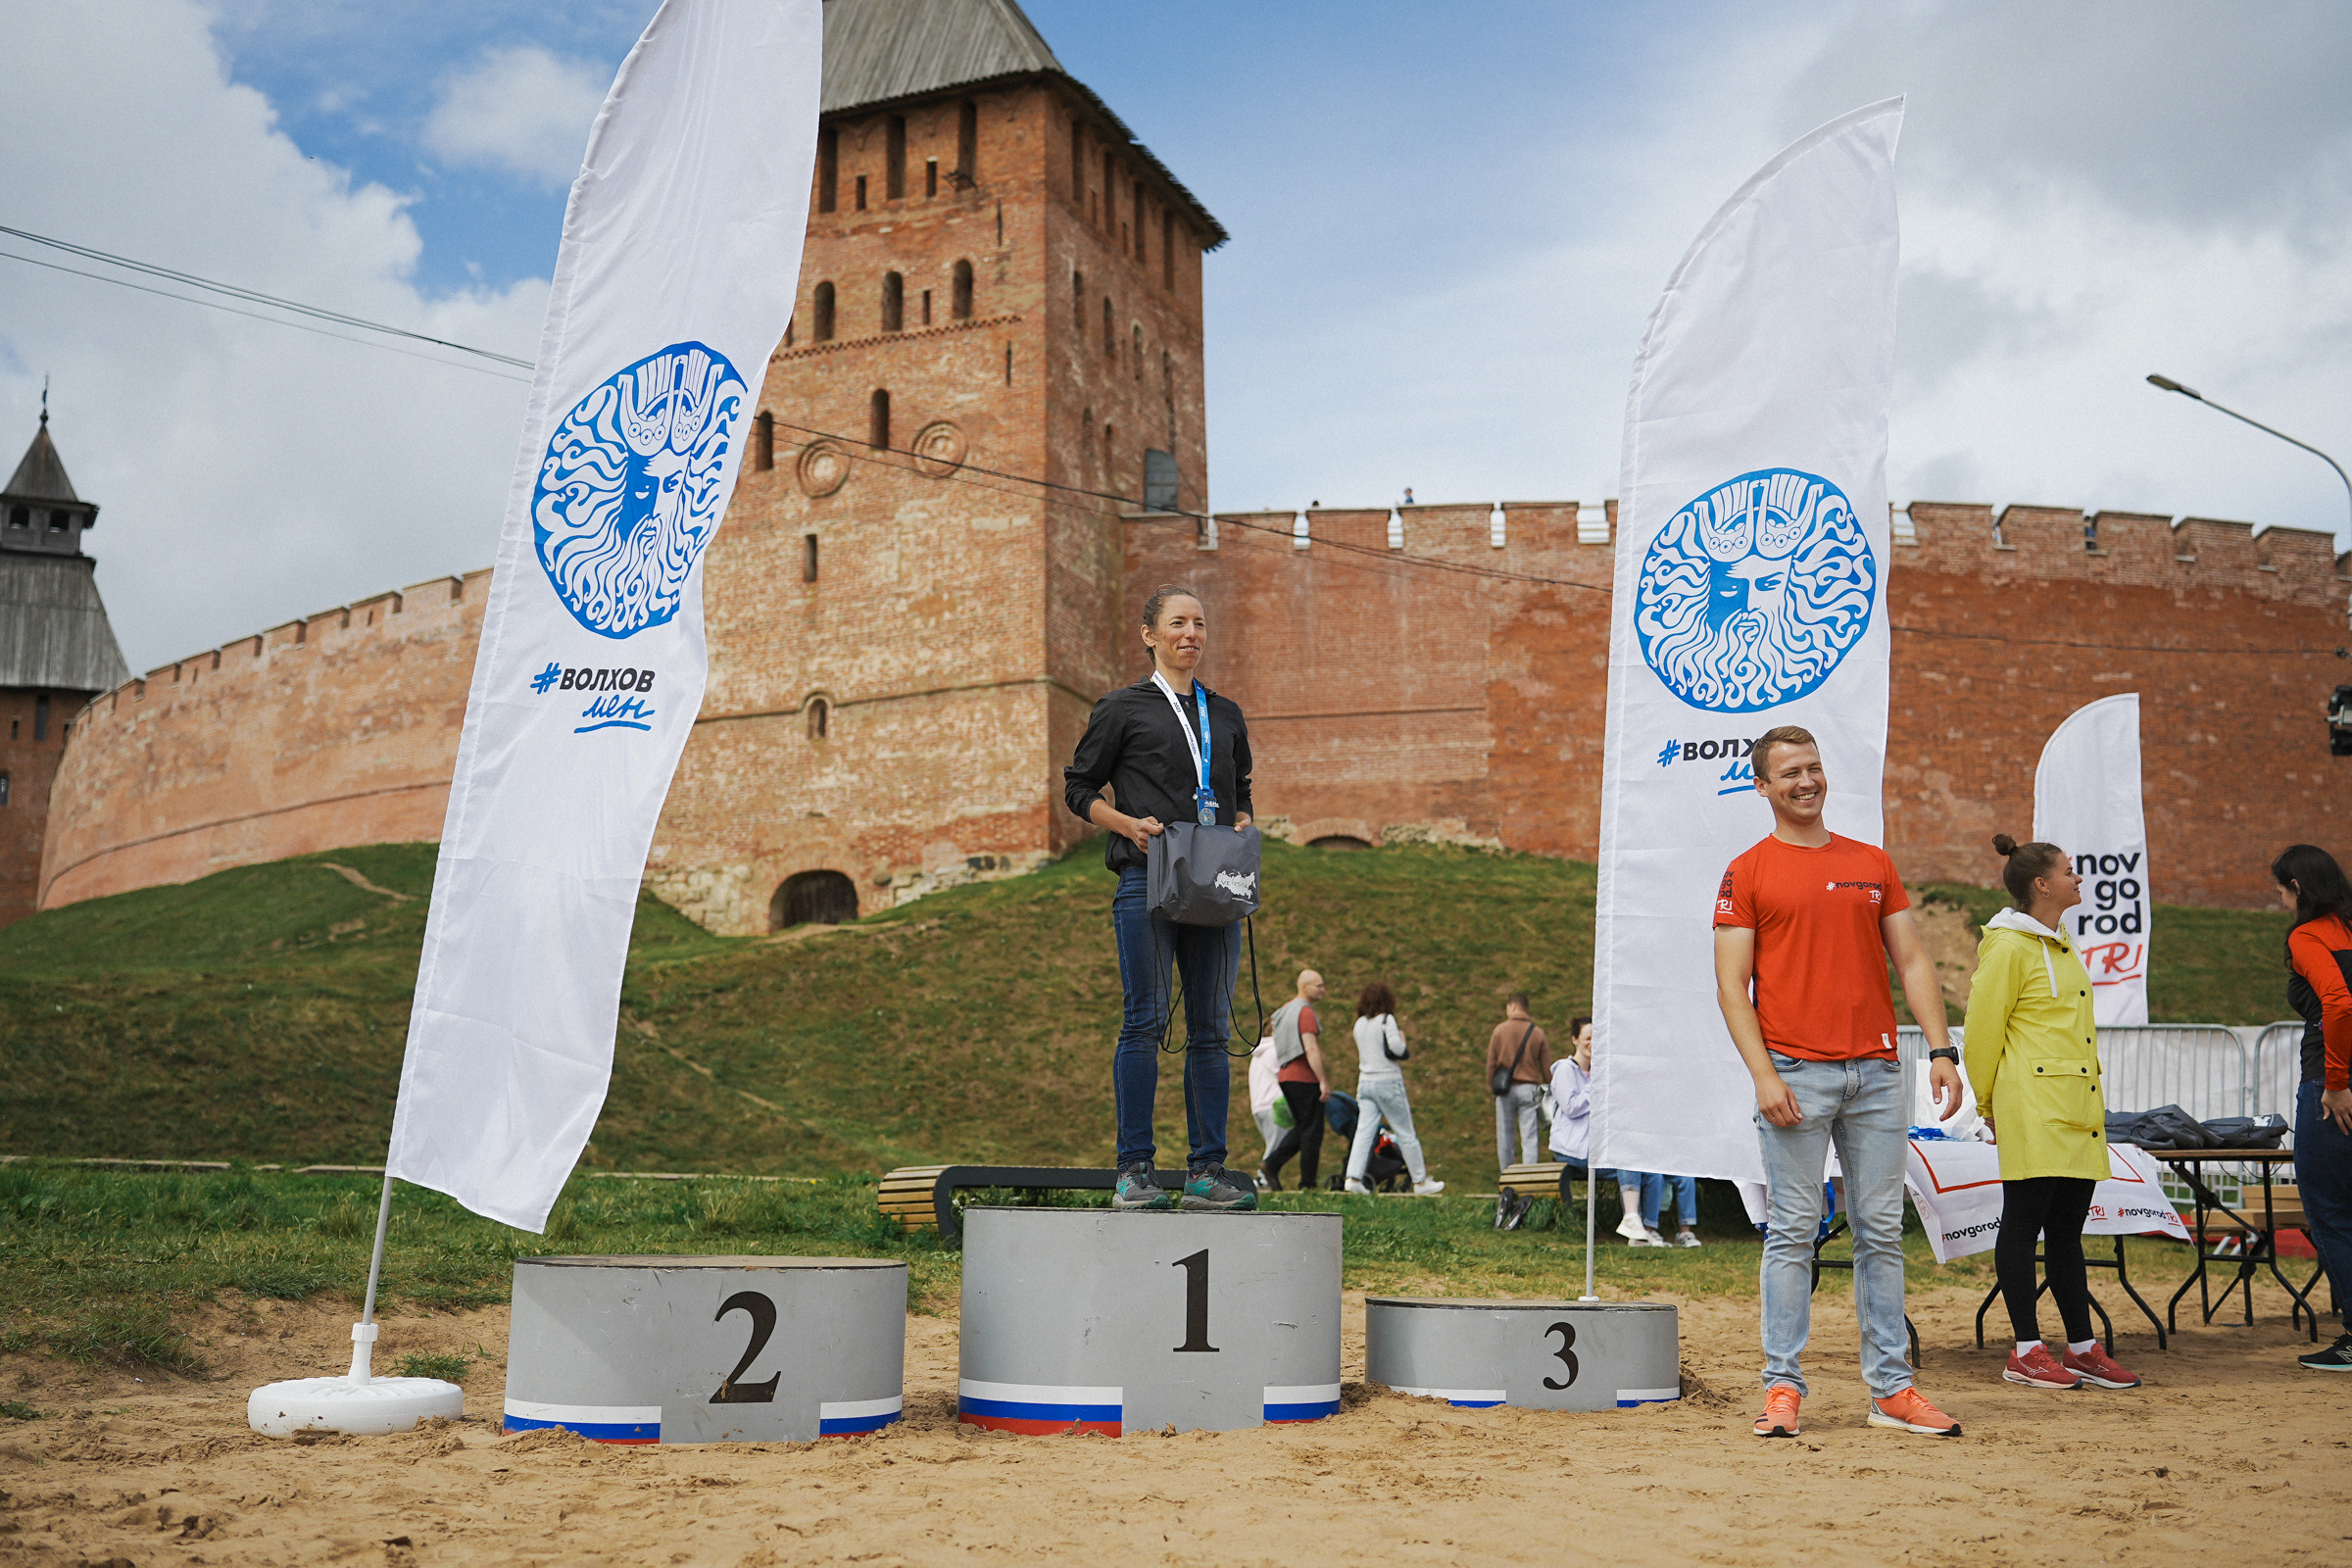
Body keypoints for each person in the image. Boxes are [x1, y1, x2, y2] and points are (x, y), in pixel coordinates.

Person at [1713, 724, 1967, 1440]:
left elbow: (1913, 962)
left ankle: (1891, 1390)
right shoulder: (1746, 871)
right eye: (1789, 771)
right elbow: (1732, 986)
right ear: (1762, 787)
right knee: (1792, 1234)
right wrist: (1762, 1074)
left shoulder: (1871, 863)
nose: (1805, 781)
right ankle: (1782, 1389)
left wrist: (1944, 1050)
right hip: (1794, 1073)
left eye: (1814, 768)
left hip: (1879, 1074)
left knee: (1882, 1233)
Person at [1062, 584, 1256, 1213]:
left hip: (1214, 884)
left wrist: (1245, 820)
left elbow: (1241, 784)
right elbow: (1079, 787)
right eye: (1178, 623)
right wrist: (1126, 825)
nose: (1190, 634)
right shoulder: (1122, 708)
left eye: (1199, 623)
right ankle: (1135, 1171)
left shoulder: (1224, 713)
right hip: (1147, 878)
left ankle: (1206, 1171)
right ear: (1150, 634)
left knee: (1210, 1029)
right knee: (1143, 1021)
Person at [1963, 834, 2141, 1392]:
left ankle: (2083, 1347)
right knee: (2023, 1225)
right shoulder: (2010, 946)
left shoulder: (2060, 942)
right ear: (2041, 884)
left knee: (2067, 1231)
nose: (2077, 878)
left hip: (2074, 1109)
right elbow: (1982, 1032)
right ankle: (2025, 1349)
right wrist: (1988, 1104)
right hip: (2032, 1108)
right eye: (2069, 871)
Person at [2274, 843, 2352, 1372]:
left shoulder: (2307, 936)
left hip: (2331, 1086)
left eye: (2280, 890)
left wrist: (2337, 1083)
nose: (2278, 901)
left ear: (2298, 888)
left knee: (2329, 1212)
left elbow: (2339, 1001)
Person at [1544, 1016, 1668, 1243]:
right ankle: (1631, 1218)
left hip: (1598, 1148)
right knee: (1624, 1160)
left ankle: (1646, 1231)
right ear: (1575, 1040)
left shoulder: (1600, 1073)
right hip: (1572, 1150)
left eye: (1597, 1038)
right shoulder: (1565, 1069)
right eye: (1587, 1038)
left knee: (1651, 1173)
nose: (1593, 1043)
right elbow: (1571, 1108)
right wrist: (1597, 1084)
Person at [1343, 982, 1444, 1197]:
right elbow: (1397, 1049)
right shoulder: (1387, 1020)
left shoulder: (1359, 1024)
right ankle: (1420, 1181)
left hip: (1365, 1082)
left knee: (1364, 1132)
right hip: (1388, 1082)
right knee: (1405, 1131)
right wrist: (1403, 1042)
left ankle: (1353, 1178)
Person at [1259, 970, 1332, 1192]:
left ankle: (1270, 1165)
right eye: (1319, 986)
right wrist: (1322, 1080)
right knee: (1313, 1131)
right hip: (1304, 1077)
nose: (1323, 990)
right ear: (1305, 986)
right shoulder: (1305, 1012)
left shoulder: (1283, 1011)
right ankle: (1307, 1183)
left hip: (1286, 1075)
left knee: (1302, 1127)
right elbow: (1310, 1048)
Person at [1488, 994, 1553, 1176]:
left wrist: (1492, 1085)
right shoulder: (1537, 1032)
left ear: (1512, 1007)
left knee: (1505, 1137)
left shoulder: (1499, 1030)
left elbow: (1491, 1064)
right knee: (1530, 1137)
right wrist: (1551, 1089)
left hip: (1505, 1090)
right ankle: (1528, 1179)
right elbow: (1547, 1068)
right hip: (1529, 1089)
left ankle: (1507, 1179)